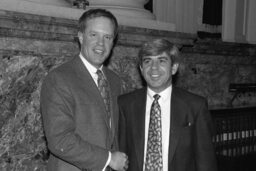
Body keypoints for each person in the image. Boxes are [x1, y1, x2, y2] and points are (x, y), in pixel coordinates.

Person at [40, 9, 128, 171]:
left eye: (107, 37)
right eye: (93, 35)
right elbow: (60, 140)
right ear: (81, 37)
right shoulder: (59, 79)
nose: (100, 43)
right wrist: (108, 159)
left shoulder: (115, 81)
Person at [118, 38, 217, 171]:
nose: (154, 68)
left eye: (161, 61)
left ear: (174, 67)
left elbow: (206, 162)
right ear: (141, 68)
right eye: (148, 61)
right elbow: (121, 157)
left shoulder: (195, 106)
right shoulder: (126, 104)